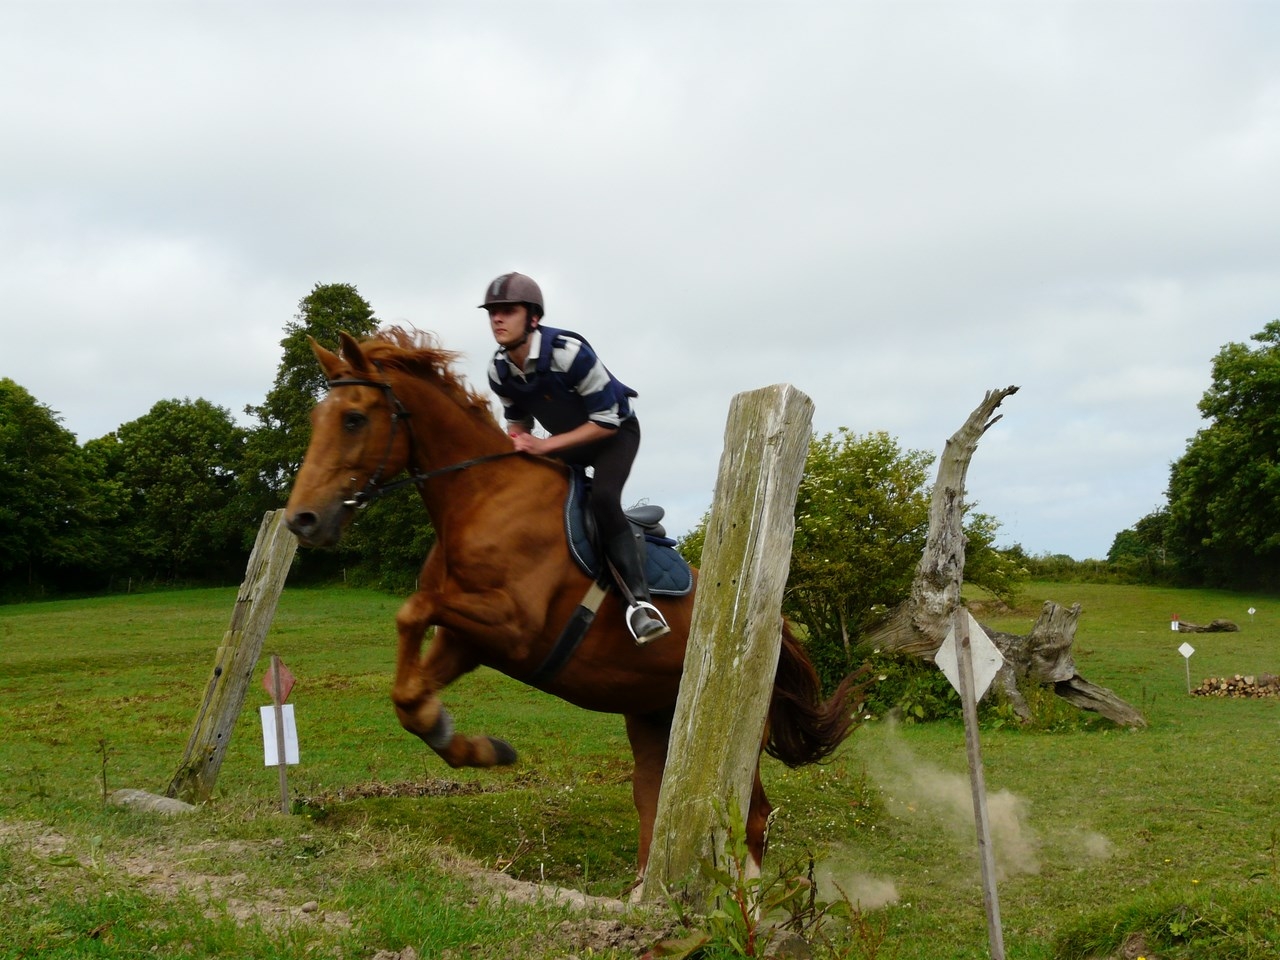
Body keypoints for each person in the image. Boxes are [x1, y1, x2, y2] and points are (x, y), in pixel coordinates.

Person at [482, 271, 670, 645]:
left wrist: (544, 447)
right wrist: (516, 448)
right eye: (492, 312)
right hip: (566, 442)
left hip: (614, 435)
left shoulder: (568, 353)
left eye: (507, 310)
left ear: (533, 317)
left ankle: (640, 604)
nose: (497, 319)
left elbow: (606, 423)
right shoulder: (498, 369)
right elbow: (517, 423)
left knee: (601, 498)